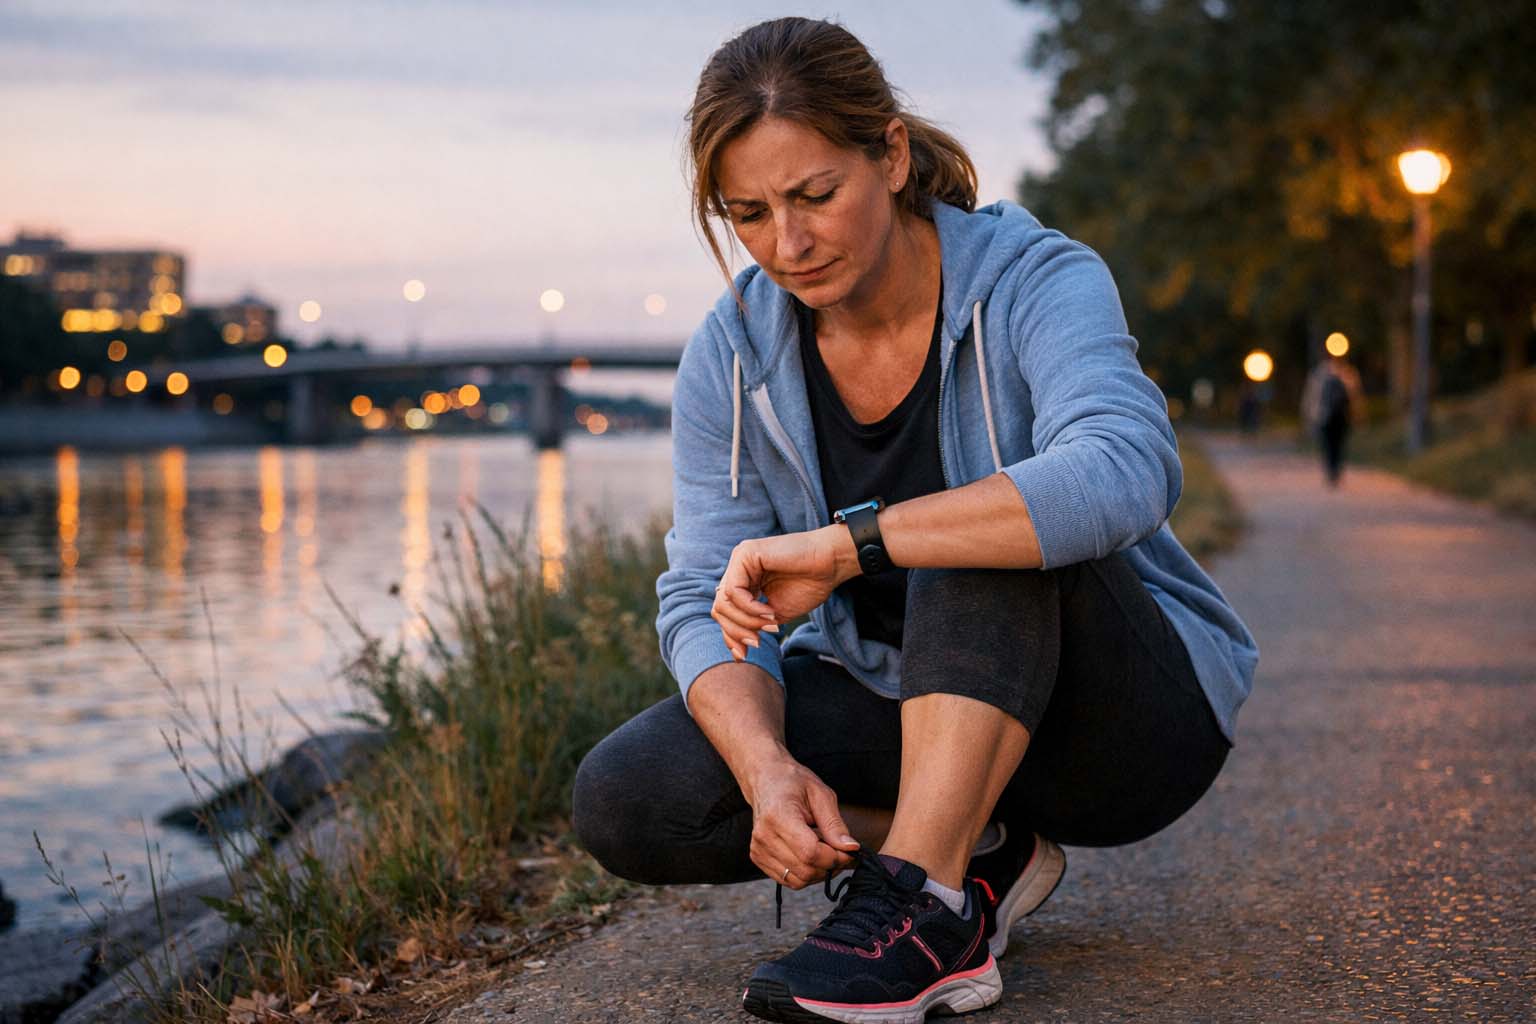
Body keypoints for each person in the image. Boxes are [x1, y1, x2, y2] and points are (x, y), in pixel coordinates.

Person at [572, 17, 1259, 1023]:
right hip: (907, 710)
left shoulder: (1037, 279)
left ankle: (927, 913)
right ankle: (982, 853)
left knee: (979, 524)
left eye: (815, 195)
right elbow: (701, 591)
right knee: (633, 793)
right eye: (748, 213)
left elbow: (1126, 465)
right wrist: (767, 772)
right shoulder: (728, 357)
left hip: (1120, 729)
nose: (787, 245)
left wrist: (858, 543)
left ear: (890, 155)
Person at [1301, 353, 1363, 487]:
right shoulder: (1348, 373)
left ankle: (1331, 471)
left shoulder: (1319, 374)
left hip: (1325, 416)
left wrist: (1310, 415)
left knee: (1328, 444)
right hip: (1342, 417)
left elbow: (1312, 396)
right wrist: (1357, 414)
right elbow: (1355, 397)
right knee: (1339, 444)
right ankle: (1336, 471)